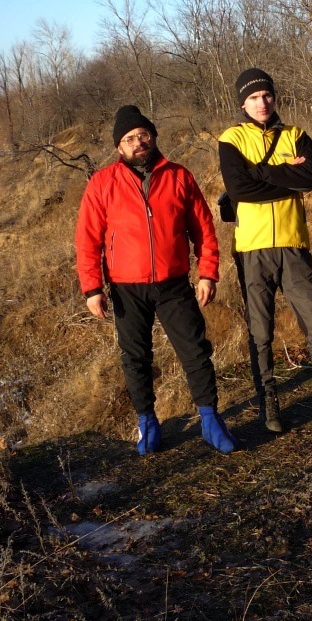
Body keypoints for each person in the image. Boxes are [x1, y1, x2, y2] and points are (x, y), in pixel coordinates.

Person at [76, 104, 238, 455]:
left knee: (195, 351)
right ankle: (147, 422)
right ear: (119, 146)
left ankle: (210, 420)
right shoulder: (103, 182)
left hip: (174, 283)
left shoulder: (179, 176)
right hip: (125, 288)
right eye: (130, 138)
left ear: (153, 137)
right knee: (135, 357)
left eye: (143, 135)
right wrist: (92, 288)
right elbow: (87, 239)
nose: (138, 142)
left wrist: (207, 273)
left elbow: (204, 229)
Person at [219, 68, 312, 432]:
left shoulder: (296, 135)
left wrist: (260, 173)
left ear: (274, 97)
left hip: (294, 244)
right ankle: (269, 406)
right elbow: (239, 189)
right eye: (253, 98)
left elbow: (311, 177)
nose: (261, 103)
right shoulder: (231, 139)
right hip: (252, 248)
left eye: (266, 95)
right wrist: (284, 172)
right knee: (261, 332)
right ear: (243, 103)